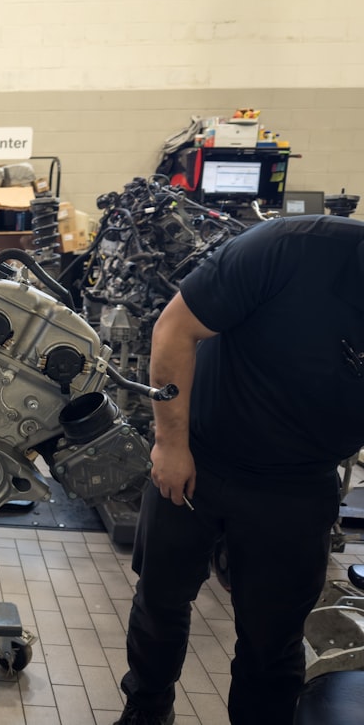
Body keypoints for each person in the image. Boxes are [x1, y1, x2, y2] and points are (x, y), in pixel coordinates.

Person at [114, 214, 364, 725]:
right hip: (201, 457)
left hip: (298, 483)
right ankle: (146, 710)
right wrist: (171, 443)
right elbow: (174, 329)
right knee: (160, 603)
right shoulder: (288, 248)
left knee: (273, 639)